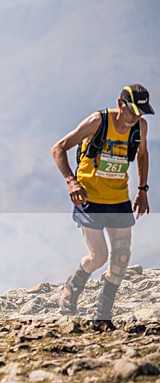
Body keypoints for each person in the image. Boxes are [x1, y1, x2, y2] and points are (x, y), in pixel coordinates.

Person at [52, 84, 152, 331]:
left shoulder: (139, 127)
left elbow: (142, 155)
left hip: (119, 200)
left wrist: (142, 190)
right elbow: (59, 148)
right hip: (89, 200)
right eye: (132, 112)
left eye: (140, 113)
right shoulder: (98, 121)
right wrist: (71, 182)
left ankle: (102, 316)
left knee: (122, 257)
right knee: (99, 257)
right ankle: (73, 286)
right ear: (120, 105)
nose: (135, 118)